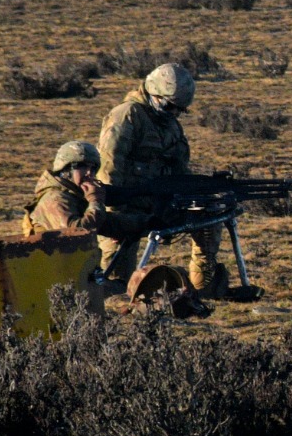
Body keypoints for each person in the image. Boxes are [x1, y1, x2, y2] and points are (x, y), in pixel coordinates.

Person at [96, 63, 223, 292]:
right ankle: (114, 303)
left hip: (161, 203)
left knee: (209, 220)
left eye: (179, 110)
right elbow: (109, 169)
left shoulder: (170, 125)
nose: (174, 114)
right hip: (127, 207)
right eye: (169, 106)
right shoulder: (127, 116)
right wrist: (114, 221)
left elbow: (179, 170)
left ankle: (203, 288)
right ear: (153, 93)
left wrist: (201, 191)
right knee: (116, 280)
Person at [21, 140, 141, 240]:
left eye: (93, 168)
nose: (89, 173)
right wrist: (95, 201)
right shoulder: (55, 199)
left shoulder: (73, 196)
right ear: (66, 170)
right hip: (53, 265)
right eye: (82, 166)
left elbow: (105, 223)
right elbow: (78, 233)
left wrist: (145, 222)